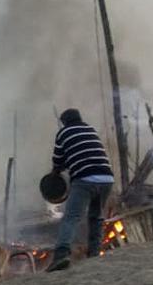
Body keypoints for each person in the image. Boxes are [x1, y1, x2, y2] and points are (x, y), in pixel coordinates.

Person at [47, 108, 114, 272]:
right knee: (96, 217)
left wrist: (54, 175)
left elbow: (57, 162)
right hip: (107, 178)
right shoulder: (90, 129)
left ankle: (61, 256)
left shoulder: (63, 133)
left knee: (71, 218)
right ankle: (95, 254)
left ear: (64, 122)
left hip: (84, 179)